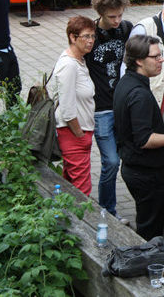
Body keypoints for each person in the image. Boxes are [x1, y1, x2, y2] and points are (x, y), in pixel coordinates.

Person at [113, 35, 164, 240]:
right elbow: (145, 140)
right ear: (139, 61)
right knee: (150, 232)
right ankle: (146, 264)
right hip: (145, 173)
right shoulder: (139, 94)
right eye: (156, 57)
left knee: (147, 222)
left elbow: (137, 128)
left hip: (134, 168)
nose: (161, 60)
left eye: (161, 55)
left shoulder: (126, 82)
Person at [85, 0, 133, 225]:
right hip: (101, 108)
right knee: (111, 162)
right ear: (101, 13)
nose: (117, 21)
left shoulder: (126, 29)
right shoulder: (90, 35)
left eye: (120, 15)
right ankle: (107, 211)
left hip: (122, 105)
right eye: (112, 17)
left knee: (126, 159)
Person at [54, 16, 96, 196]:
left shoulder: (80, 60)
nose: (91, 41)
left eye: (93, 36)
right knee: (82, 189)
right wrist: (79, 134)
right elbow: (67, 108)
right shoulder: (69, 65)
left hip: (80, 134)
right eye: (86, 36)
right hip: (73, 135)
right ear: (72, 37)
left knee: (70, 185)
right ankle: (81, 223)